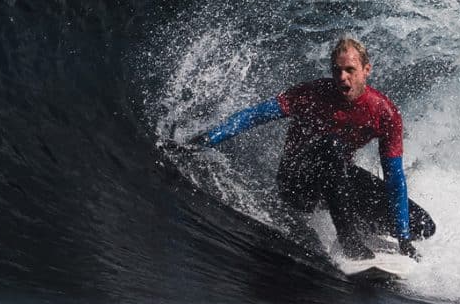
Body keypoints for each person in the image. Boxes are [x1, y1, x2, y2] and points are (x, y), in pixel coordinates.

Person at [179, 37, 435, 260]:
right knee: (333, 145)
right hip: (297, 184)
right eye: (337, 71)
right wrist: (204, 141)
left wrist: (403, 238)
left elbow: (394, 177)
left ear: (366, 70)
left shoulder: (384, 113)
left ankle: (363, 232)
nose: (342, 78)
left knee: (422, 225)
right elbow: (254, 116)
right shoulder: (314, 94)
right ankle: (349, 240)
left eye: (350, 70)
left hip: (335, 183)